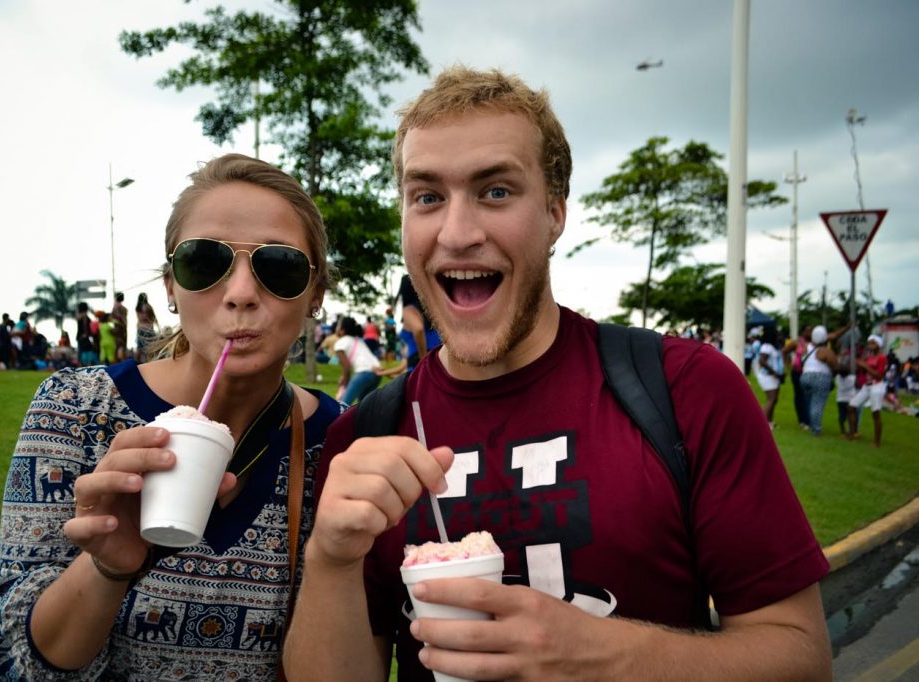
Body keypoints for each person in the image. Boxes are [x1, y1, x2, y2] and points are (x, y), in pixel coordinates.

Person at [284, 66, 831, 681]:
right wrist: (330, 559)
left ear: (554, 212)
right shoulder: (364, 437)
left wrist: (602, 655)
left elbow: (801, 657)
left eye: (495, 191)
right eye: (427, 196)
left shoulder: (687, 388)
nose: (458, 233)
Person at [0, 153, 343, 680]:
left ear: (315, 295)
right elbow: (14, 657)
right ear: (171, 286)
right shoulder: (77, 408)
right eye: (204, 262)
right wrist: (106, 568)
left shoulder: (343, 440)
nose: (240, 294)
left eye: (279, 267)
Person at [847, 334, 888, 447]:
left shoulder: (882, 358)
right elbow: (865, 370)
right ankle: (852, 433)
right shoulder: (869, 357)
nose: (870, 345)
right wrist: (860, 365)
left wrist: (865, 366)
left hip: (876, 386)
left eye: (873, 343)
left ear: (879, 345)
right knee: (851, 406)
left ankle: (877, 442)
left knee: (875, 413)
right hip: (867, 386)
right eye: (869, 343)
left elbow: (879, 375)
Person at [799, 325, 839, 435]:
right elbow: (835, 366)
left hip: (804, 377)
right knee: (817, 404)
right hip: (820, 378)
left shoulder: (807, 347)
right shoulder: (826, 351)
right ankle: (816, 429)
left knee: (811, 403)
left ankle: (810, 423)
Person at [334, 315, 382, 405]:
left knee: (343, 404)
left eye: (338, 325)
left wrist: (345, 383)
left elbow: (347, 368)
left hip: (363, 373)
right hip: (376, 374)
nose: (336, 328)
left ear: (342, 330)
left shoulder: (340, 343)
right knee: (365, 406)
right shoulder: (359, 340)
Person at [753, 325, 785, 428]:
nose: (778, 336)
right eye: (777, 334)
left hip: (775, 377)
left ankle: (769, 422)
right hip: (768, 376)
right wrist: (774, 372)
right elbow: (762, 361)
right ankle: (763, 424)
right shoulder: (766, 346)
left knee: (774, 400)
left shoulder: (774, 346)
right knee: (771, 399)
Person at [134, 292, 159, 363]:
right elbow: (153, 318)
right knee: (150, 349)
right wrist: (157, 325)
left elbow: (139, 318)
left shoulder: (137, 308)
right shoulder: (148, 307)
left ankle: (139, 364)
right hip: (148, 329)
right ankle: (148, 364)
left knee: (140, 348)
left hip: (140, 328)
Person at [75, 302, 98, 367]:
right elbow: (85, 325)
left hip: (79, 336)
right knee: (88, 351)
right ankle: (87, 364)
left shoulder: (79, 316)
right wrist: (86, 334)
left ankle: (81, 365)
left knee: (80, 352)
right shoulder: (84, 315)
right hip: (84, 337)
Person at [112, 292, 129, 362]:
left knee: (118, 346)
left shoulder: (115, 307)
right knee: (122, 346)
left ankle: (120, 363)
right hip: (123, 328)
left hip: (118, 328)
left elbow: (114, 318)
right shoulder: (123, 308)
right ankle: (122, 362)